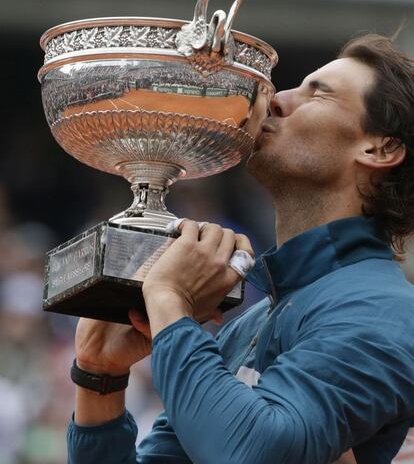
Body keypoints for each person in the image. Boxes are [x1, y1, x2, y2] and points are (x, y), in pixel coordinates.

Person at [67, 33, 414, 464]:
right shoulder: (248, 325)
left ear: (381, 148)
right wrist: (100, 378)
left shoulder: (385, 313)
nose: (276, 100)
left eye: (318, 93)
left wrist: (170, 301)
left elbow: (254, 453)